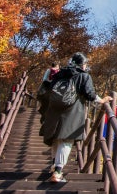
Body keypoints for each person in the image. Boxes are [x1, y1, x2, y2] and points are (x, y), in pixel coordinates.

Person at [39, 52, 111, 183]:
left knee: (56, 139)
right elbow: (90, 94)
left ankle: (53, 166)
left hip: (54, 110)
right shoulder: (84, 76)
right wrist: (102, 101)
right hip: (72, 111)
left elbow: (49, 87)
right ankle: (58, 172)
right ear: (82, 64)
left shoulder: (60, 73)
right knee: (66, 141)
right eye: (85, 64)